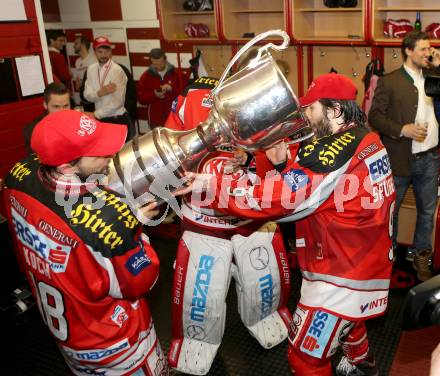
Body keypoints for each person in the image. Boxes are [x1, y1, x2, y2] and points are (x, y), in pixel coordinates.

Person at [190, 73, 395, 375]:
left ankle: (362, 364)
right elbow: (323, 193)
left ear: (334, 110)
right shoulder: (366, 137)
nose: (306, 118)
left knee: (304, 357)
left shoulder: (331, 152)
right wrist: (281, 164)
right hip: (362, 260)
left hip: (341, 273)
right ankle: (363, 364)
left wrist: (214, 186)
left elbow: (278, 201)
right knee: (347, 321)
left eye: (311, 109)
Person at [5, 110, 169, 375]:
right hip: (117, 344)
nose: (109, 157)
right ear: (67, 166)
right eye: (98, 154)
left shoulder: (16, 176)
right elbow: (143, 280)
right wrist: (134, 224)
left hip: (68, 339)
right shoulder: (111, 224)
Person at [165, 76, 292, 375]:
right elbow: (170, 153)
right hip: (205, 215)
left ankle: (265, 318)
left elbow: (283, 161)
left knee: (263, 279)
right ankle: (196, 340)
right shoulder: (190, 101)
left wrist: (250, 157)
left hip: (252, 212)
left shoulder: (266, 100)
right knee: (202, 288)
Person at [369, 30, 440, 281]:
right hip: (399, 159)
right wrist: (402, 129)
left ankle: (421, 256)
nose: (428, 53)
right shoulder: (389, 81)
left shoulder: (434, 77)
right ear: (408, 51)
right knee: (392, 211)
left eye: (429, 48)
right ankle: (388, 257)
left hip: (430, 158)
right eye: (423, 49)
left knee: (427, 212)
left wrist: (438, 67)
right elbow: (374, 117)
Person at [83, 36, 136, 141]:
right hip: (100, 120)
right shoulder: (91, 69)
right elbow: (87, 95)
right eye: (100, 51)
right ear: (95, 52)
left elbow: (118, 102)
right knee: (105, 155)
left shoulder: (117, 71)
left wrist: (95, 114)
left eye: (106, 51)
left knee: (121, 155)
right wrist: (100, 93)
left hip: (117, 120)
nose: (103, 55)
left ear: (110, 52)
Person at [137, 48, 180, 128]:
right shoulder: (146, 76)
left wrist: (171, 89)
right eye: (155, 64)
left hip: (174, 118)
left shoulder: (176, 73)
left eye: (161, 64)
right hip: (156, 121)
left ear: (165, 59)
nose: (158, 67)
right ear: (151, 62)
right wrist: (154, 95)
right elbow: (141, 98)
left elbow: (184, 94)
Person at [23, 82, 71, 154]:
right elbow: (36, 160)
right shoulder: (33, 130)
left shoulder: (77, 122)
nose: (62, 111)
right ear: (45, 105)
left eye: (66, 106)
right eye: (56, 107)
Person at [72, 36, 96, 110]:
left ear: (82, 45)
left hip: (93, 99)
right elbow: (77, 84)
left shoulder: (93, 60)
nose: (73, 46)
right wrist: (79, 84)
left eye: (76, 44)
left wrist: (82, 83)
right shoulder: (77, 61)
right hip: (83, 98)